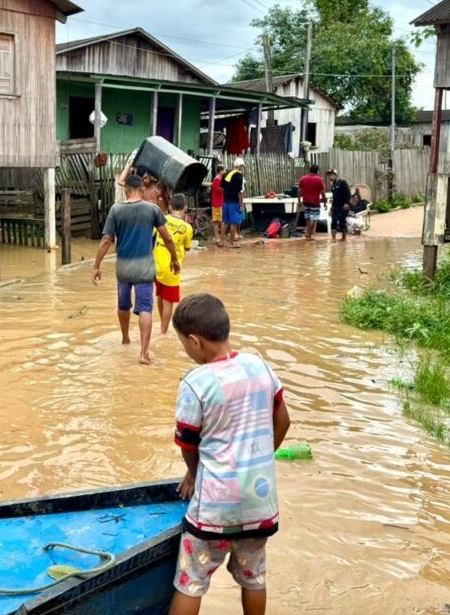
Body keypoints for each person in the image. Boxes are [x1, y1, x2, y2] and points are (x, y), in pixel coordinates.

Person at [169, 293, 291, 615]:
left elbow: (188, 444)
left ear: (195, 341)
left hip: (214, 511)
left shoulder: (196, 383)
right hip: (259, 504)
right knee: (254, 578)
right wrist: (262, 457)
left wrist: (195, 474)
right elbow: (283, 420)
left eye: (183, 343)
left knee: (190, 580)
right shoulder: (259, 366)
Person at [94, 174, 180, 365]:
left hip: (123, 269)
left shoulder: (116, 210)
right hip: (144, 270)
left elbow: (106, 240)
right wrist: (174, 259)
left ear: (125, 191)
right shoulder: (152, 210)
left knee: (123, 305)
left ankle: (125, 338)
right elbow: (167, 239)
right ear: (142, 190)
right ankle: (143, 353)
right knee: (145, 309)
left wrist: (96, 266)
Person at [154, 193, 194, 335]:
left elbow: (154, 236)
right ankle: (163, 333)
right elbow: (188, 247)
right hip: (173, 267)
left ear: (170, 207)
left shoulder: (161, 219)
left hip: (157, 265)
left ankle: (161, 324)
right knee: (168, 302)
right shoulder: (187, 228)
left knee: (160, 295)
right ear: (185, 208)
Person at [297, 164, 326, 241]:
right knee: (313, 218)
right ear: (317, 171)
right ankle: (309, 235)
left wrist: (299, 201)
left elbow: (299, 191)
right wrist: (325, 202)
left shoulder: (303, 178)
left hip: (305, 201)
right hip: (315, 202)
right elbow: (322, 192)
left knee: (308, 218)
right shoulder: (319, 179)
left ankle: (307, 232)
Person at [221, 157, 246, 248]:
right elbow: (240, 192)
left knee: (224, 221)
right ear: (239, 166)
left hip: (225, 201)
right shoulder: (240, 176)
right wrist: (241, 204)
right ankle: (231, 243)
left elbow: (221, 188)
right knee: (234, 222)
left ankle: (221, 241)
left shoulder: (226, 174)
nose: (242, 168)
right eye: (242, 166)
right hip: (234, 202)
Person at [326, 169, 351, 242]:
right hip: (335, 207)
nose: (330, 177)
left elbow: (348, 194)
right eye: (329, 176)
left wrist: (346, 203)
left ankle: (344, 237)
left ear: (336, 175)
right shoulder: (333, 185)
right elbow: (334, 198)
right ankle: (333, 238)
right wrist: (331, 208)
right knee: (333, 222)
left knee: (342, 223)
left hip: (343, 207)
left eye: (331, 175)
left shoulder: (343, 182)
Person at [210, 165, 225, 247]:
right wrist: (225, 187)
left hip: (219, 202)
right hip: (217, 203)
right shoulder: (217, 179)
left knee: (218, 221)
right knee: (216, 221)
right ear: (220, 171)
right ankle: (217, 238)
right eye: (224, 170)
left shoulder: (219, 179)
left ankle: (217, 238)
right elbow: (218, 190)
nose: (225, 172)